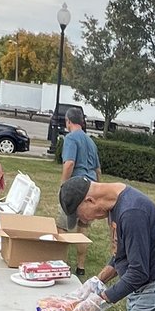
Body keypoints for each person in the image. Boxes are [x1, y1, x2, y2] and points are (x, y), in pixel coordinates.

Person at [58, 176, 155, 311]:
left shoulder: (132, 213)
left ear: (90, 200)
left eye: (80, 215)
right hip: (145, 288)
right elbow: (123, 254)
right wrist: (96, 282)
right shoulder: (114, 204)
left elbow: (138, 273)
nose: (84, 220)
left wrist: (100, 300)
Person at [57, 106, 101, 277]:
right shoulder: (91, 141)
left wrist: (63, 185)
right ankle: (80, 267)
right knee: (83, 227)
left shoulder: (71, 138)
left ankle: (62, 264)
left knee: (63, 226)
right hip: (91, 187)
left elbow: (69, 163)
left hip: (75, 187)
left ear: (68, 121)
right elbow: (98, 170)